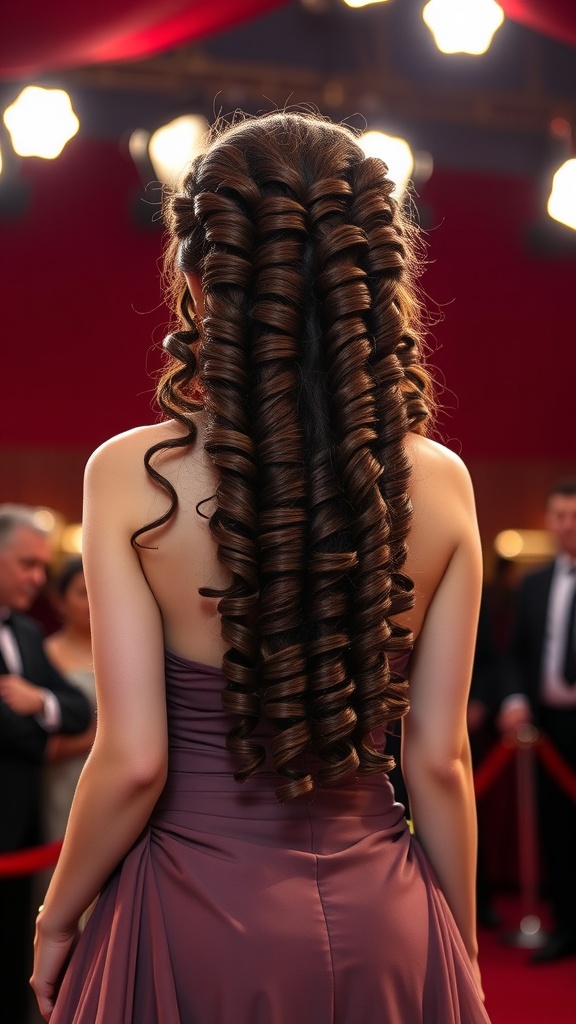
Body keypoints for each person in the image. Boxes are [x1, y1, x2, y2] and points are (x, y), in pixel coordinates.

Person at [32, 111, 490, 1023]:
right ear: (372, 279)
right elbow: (437, 761)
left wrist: (55, 920)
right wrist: (460, 946)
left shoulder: (131, 474)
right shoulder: (442, 484)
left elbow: (131, 764)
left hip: (192, 912)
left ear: (203, 280)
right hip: (388, 917)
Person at [0, 505, 92, 1024]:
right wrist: (50, 721)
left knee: (16, 957)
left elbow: (76, 707)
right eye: (25, 565)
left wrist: (42, 703)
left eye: (41, 566)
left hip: (27, 832)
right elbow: (13, 735)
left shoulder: (28, 634)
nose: (37, 578)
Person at [498, 478, 576, 963]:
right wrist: (513, 698)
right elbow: (513, 654)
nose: (567, 525)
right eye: (560, 516)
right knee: (558, 833)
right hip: (548, 728)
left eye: (575, 516)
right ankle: (567, 925)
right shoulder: (534, 584)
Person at [43, 557, 96, 845]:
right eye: (82, 592)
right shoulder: (45, 653)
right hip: (66, 777)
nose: (94, 600)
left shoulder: (125, 648)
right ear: (60, 601)